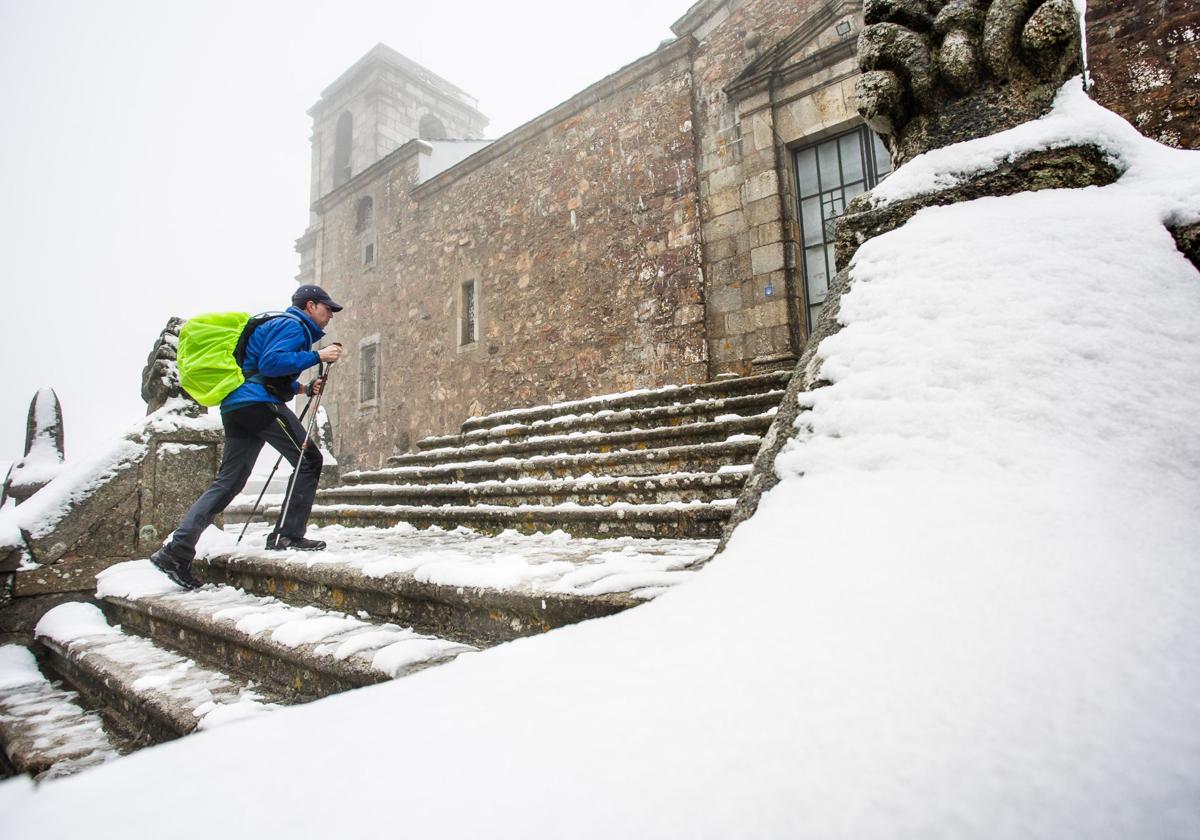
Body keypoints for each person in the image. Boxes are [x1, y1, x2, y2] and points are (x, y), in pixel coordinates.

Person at [150, 285, 345, 589]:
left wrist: (303, 389)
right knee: (309, 458)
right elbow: (271, 363)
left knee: (229, 481)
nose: (330, 315)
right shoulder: (293, 325)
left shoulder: (279, 324)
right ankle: (287, 535)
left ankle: (176, 551)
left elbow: (259, 368)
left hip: (237, 405)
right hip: (258, 404)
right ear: (310, 305)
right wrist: (316, 355)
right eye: (326, 308)